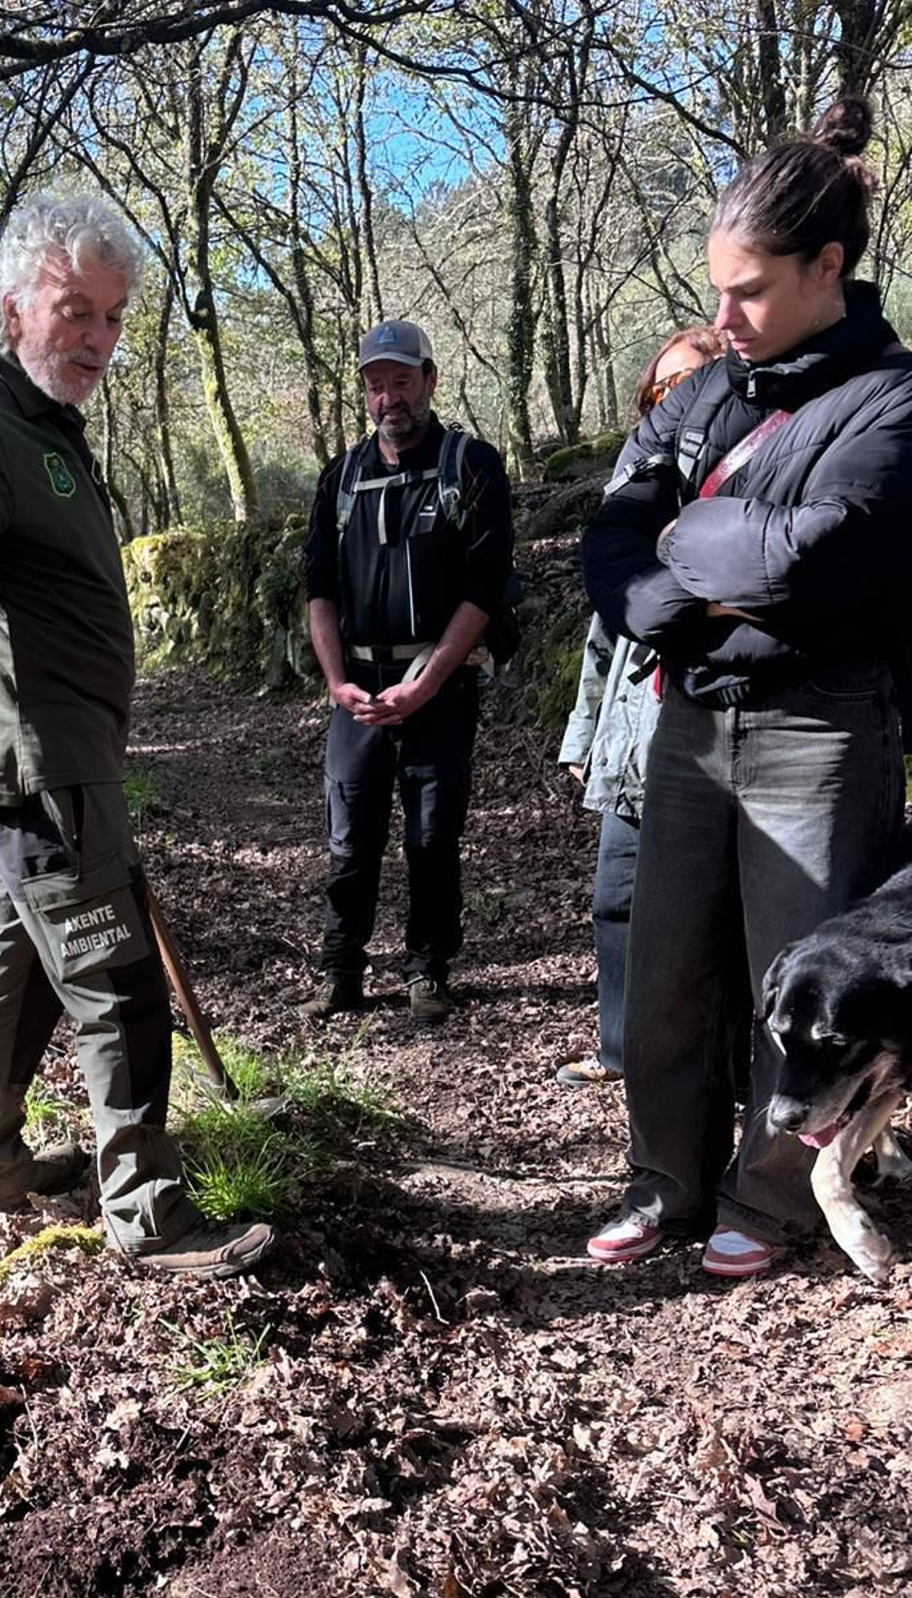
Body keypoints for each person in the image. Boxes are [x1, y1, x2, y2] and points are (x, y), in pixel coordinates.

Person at [0, 191, 273, 1280]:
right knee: (112, 980)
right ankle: (148, 1212)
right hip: (41, 763)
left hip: (53, 753)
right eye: (74, 309)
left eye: (114, 317)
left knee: (19, 968)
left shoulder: (41, 423)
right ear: (10, 307)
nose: (96, 338)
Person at [581, 97, 911, 1279]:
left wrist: (700, 540)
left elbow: (815, 560)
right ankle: (664, 1180)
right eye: (713, 289)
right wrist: (692, 568)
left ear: (827, 266)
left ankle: (769, 1202)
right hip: (689, 717)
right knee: (665, 976)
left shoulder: (891, 401)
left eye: (749, 290)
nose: (721, 319)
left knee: (807, 984)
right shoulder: (710, 388)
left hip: (820, 728)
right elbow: (611, 537)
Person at [304, 320, 515, 1024]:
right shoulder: (341, 478)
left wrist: (425, 684)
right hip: (356, 689)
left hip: (441, 687)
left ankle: (428, 969)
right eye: (374, 384)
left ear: (428, 379)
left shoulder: (472, 466)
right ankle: (341, 972)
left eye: (400, 381)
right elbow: (318, 591)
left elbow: (484, 591)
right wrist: (337, 683)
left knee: (432, 835)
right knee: (349, 836)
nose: (388, 397)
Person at [555, 327, 723, 1087]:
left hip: (704, 749)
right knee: (616, 901)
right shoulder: (633, 502)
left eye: (693, 382)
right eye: (662, 389)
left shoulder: (736, 492)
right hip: (628, 749)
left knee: (712, 923)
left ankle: (720, 1067)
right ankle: (620, 1048)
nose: (676, 399)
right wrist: (582, 736)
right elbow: (603, 638)